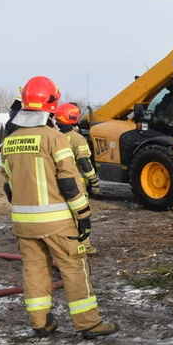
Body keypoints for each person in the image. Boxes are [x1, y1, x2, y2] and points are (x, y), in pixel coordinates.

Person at [0, 76, 119, 339]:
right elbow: (68, 182)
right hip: (57, 222)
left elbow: (8, 186)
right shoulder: (55, 139)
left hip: (23, 223)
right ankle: (88, 323)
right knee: (74, 268)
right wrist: (84, 216)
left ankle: (40, 322)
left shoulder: (10, 141)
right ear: (52, 103)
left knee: (34, 270)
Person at [55, 102, 100, 254]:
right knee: (81, 214)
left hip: (57, 184)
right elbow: (84, 161)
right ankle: (84, 246)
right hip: (76, 185)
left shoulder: (54, 137)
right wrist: (93, 181)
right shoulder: (77, 138)